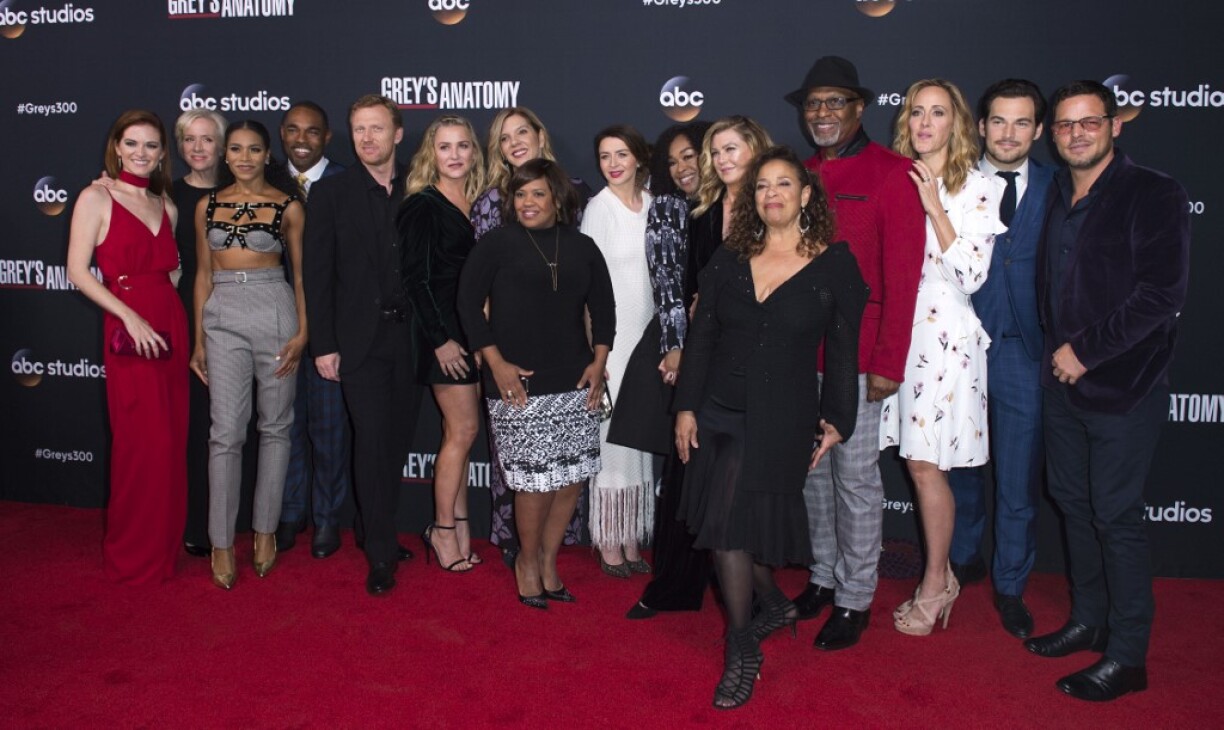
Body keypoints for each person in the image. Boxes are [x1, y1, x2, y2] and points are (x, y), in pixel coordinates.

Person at [674, 145, 867, 708]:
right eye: (762, 186)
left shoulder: (835, 265)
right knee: (729, 524)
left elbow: (844, 352)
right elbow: (702, 337)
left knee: (738, 524)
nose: (772, 194)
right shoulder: (729, 259)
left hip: (783, 416)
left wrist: (838, 420)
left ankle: (756, 627)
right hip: (718, 409)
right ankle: (752, 634)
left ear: (806, 196)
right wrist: (686, 407)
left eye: (783, 184)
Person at [1025, 80, 1190, 702]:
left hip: (1124, 387)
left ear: (1115, 125)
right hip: (1060, 386)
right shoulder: (1055, 192)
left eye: (1089, 122)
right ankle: (1088, 621)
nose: (1077, 134)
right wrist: (1057, 357)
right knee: (1073, 504)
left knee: (1116, 518)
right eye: (1065, 125)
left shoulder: (1154, 192)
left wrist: (1086, 351)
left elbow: (1161, 295)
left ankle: (1127, 656)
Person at [784, 56, 925, 650]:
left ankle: (856, 596)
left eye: (834, 101)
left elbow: (904, 276)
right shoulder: (799, 174)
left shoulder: (893, 173)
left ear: (859, 108)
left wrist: (889, 363)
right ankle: (823, 577)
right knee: (812, 475)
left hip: (861, 358)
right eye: (813, 103)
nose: (822, 112)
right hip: (800, 355)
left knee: (856, 479)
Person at [457, 158, 615, 609]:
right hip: (516, 381)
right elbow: (466, 304)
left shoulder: (582, 247)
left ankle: (549, 559)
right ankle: (526, 561)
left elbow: (604, 309)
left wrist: (599, 361)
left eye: (538, 193)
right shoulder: (497, 244)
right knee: (533, 482)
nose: (527, 202)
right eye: (521, 194)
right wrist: (496, 363)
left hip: (576, 378)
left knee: (569, 479)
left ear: (557, 199)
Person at [883, 79, 1003, 635]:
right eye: (917, 112)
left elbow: (972, 275)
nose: (925, 123)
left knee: (926, 464)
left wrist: (935, 207)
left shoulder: (978, 186)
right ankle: (939, 577)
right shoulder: (893, 177)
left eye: (938, 112)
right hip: (896, 332)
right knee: (914, 462)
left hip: (944, 339)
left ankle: (937, 582)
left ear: (956, 123)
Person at [304, 95, 423, 597]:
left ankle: (377, 528)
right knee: (371, 441)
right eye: (359, 130)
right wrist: (324, 344)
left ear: (397, 134)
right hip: (358, 341)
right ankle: (379, 551)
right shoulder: (330, 193)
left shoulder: (420, 186)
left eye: (376, 128)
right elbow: (317, 274)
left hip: (411, 339)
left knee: (394, 443)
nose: (367, 138)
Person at [946, 79, 1053, 639]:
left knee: (1016, 479)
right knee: (962, 468)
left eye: (1022, 122)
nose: (1009, 134)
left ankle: (1010, 585)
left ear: (1038, 130)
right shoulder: (953, 181)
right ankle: (964, 557)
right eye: (999, 121)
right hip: (961, 348)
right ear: (982, 126)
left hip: (1023, 352)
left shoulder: (1059, 185)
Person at [66, 110, 188, 585]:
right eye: (132, 143)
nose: (141, 153)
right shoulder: (95, 198)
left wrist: (167, 296)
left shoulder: (166, 206)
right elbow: (78, 272)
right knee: (141, 443)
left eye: (151, 145)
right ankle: (132, 554)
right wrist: (129, 315)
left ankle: (163, 549)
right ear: (117, 147)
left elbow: (172, 272)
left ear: (162, 154)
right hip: (128, 328)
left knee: (170, 441)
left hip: (169, 325)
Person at [469, 106, 594, 567]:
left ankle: (554, 546)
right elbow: (480, 288)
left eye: (522, 132)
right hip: (511, 346)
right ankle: (517, 545)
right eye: (504, 138)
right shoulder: (490, 201)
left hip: (568, 342)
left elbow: (589, 273)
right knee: (517, 455)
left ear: (541, 135)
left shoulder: (577, 192)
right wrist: (490, 351)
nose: (515, 142)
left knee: (567, 454)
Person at [192, 120, 307, 590]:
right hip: (222, 313)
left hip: (275, 308)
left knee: (275, 427)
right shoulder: (207, 205)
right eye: (236, 149)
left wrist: (303, 332)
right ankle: (221, 542)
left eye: (253, 149)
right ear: (225, 155)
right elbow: (202, 274)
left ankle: (264, 531)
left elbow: (301, 275)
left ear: (267, 155)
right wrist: (199, 339)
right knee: (225, 432)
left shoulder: (288, 206)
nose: (244, 157)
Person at [623, 120, 714, 619]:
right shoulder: (667, 209)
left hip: (738, 352)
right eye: (672, 160)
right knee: (686, 463)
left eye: (689, 156)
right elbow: (668, 286)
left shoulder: (735, 203)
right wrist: (677, 347)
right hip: (694, 351)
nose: (681, 168)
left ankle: (733, 581)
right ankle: (675, 583)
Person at [396, 114, 486, 572]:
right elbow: (416, 279)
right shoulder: (422, 205)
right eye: (445, 146)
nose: (455, 155)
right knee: (462, 431)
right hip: (443, 334)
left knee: (464, 435)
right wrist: (441, 341)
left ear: (474, 151)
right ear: (431, 153)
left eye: (463, 146)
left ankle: (460, 527)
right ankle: (442, 531)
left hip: (474, 330)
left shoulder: (480, 201)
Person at [276, 101, 352, 559]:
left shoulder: (347, 182)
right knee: (284, 426)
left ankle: (326, 518)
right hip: (276, 328)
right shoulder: (264, 180)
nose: (301, 139)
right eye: (292, 130)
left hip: (330, 330)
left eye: (311, 131)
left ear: (327, 137)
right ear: (281, 134)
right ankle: (289, 514)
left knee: (329, 430)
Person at [580, 125, 655, 578]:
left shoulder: (653, 204)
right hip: (614, 341)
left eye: (621, 154)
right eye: (605, 156)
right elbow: (588, 285)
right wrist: (597, 353)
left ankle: (632, 535)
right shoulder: (599, 208)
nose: (613, 164)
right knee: (611, 440)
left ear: (638, 157)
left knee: (639, 437)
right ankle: (609, 537)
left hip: (648, 339)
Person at [170, 108, 228, 559]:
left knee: (235, 422)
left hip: (240, 306)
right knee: (198, 422)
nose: (198, 148)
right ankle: (197, 522)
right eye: (189, 139)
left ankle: (234, 517)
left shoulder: (242, 188)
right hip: (188, 308)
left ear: (222, 145)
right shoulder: (167, 196)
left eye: (207, 139)